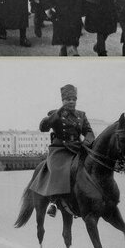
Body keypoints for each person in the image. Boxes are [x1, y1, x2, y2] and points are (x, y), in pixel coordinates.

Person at [29, 84, 94, 216]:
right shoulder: (55, 114)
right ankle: (54, 201)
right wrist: (57, 114)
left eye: (74, 99)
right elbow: (43, 127)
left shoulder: (81, 115)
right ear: (62, 100)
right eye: (68, 99)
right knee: (59, 169)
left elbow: (88, 131)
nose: (71, 101)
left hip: (77, 147)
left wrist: (87, 143)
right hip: (60, 149)